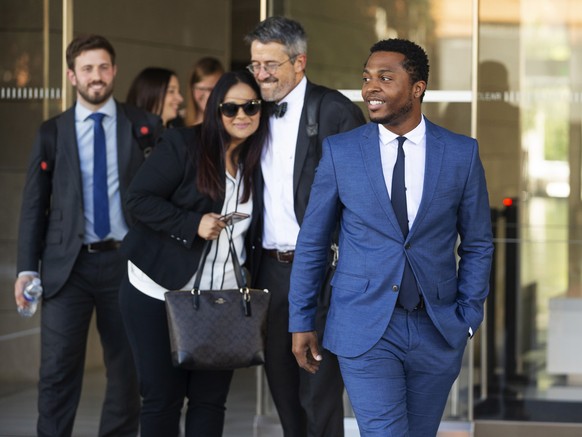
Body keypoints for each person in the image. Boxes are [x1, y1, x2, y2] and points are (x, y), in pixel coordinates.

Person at [289, 38, 494, 437]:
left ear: (417, 88)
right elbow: (313, 241)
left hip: (437, 327)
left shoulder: (460, 153)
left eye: (385, 78)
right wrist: (301, 318)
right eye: (366, 78)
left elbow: (478, 243)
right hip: (365, 326)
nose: (371, 88)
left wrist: (469, 316)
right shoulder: (341, 152)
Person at [14, 34, 161, 437]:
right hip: (68, 267)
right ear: (71, 76)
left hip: (125, 265)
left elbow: (163, 197)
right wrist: (27, 269)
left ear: (114, 71)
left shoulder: (144, 127)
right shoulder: (51, 132)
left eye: (102, 67)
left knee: (127, 371)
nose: (95, 76)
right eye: (86, 69)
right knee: (57, 371)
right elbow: (33, 207)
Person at [118, 70, 269, 437]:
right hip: (158, 292)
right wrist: (191, 223)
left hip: (222, 299)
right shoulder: (183, 145)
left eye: (251, 106)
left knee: (209, 402)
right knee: (162, 400)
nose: (241, 116)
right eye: (230, 108)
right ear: (215, 109)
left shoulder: (259, 161)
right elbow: (137, 200)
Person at [244, 16, 366, 437]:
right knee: (283, 392)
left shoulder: (334, 112)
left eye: (271, 65)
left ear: (299, 63)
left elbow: (363, 203)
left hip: (322, 273)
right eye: (255, 64)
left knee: (319, 394)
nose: (261, 74)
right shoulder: (251, 113)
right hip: (270, 275)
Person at [184, 57, 224, 126]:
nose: (208, 95)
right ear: (192, 89)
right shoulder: (177, 121)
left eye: (212, 89)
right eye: (201, 89)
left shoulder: (230, 123)